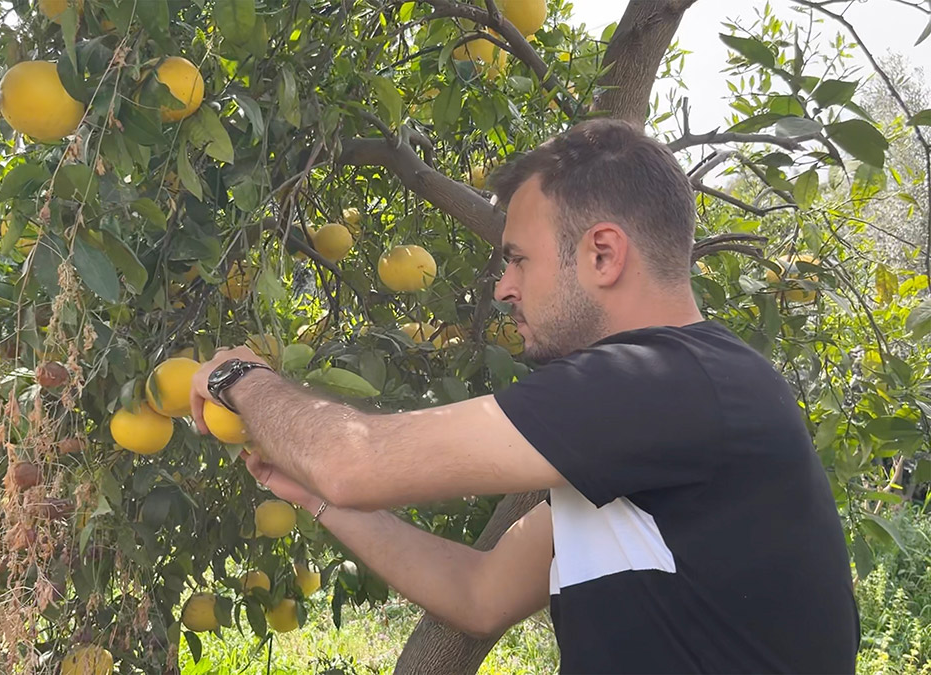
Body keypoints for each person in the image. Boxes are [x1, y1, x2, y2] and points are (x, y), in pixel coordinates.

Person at [188, 118, 860, 674]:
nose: (503, 287)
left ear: (602, 254)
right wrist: (319, 498)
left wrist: (240, 378)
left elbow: (355, 459)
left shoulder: (668, 383)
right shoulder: (657, 424)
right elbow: (479, 592)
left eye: (518, 259)